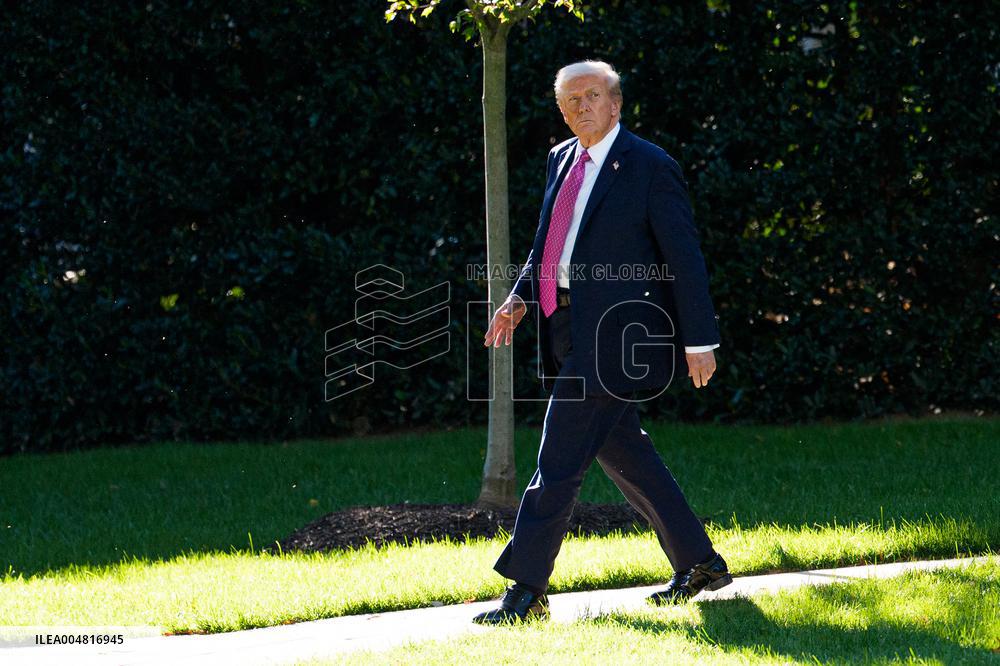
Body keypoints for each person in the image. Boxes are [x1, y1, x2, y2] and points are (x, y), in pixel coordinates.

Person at [475, 60, 731, 625]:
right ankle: (699, 561)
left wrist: (700, 340)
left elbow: (682, 258)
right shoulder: (560, 160)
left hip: (621, 337)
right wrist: (519, 297)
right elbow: (550, 242)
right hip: (564, 327)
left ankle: (527, 589)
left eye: (591, 96)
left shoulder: (649, 166)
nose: (580, 107)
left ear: (616, 104)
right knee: (627, 454)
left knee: (559, 455)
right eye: (569, 100)